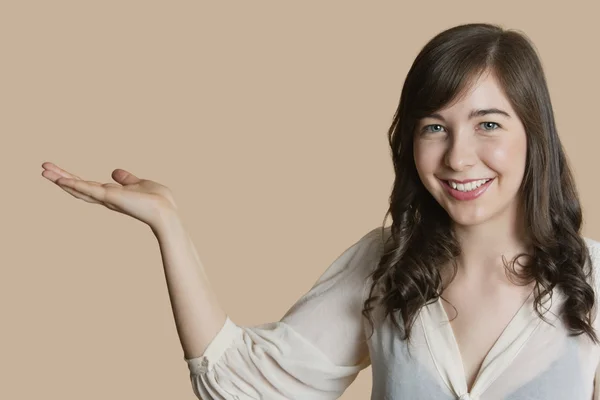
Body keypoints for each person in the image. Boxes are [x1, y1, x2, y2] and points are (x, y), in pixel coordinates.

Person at [41, 22, 600, 400]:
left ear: (535, 134)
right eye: (435, 126)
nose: (457, 155)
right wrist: (168, 224)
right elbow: (241, 387)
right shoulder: (385, 264)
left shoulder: (594, 279)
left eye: (489, 124)